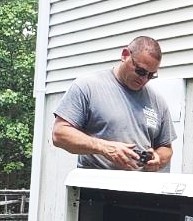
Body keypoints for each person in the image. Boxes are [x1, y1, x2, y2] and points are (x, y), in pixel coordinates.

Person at [51, 36, 177, 171]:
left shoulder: (157, 101)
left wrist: (157, 158)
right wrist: (104, 148)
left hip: (140, 188)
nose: (144, 79)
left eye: (151, 75)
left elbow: (166, 148)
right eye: (140, 71)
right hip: (96, 187)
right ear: (125, 55)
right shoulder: (88, 86)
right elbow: (60, 134)